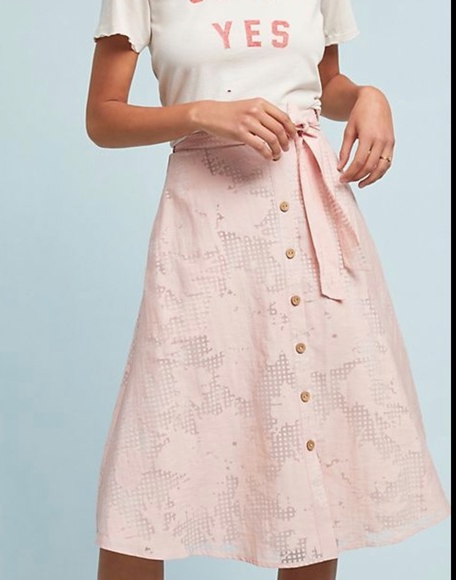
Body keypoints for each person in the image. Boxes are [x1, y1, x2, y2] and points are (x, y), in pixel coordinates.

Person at [85, 1, 451, 579]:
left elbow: (327, 84)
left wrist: (368, 97)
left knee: (312, 434)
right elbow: (103, 118)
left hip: (309, 212)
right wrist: (201, 113)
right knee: (158, 447)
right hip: (204, 225)